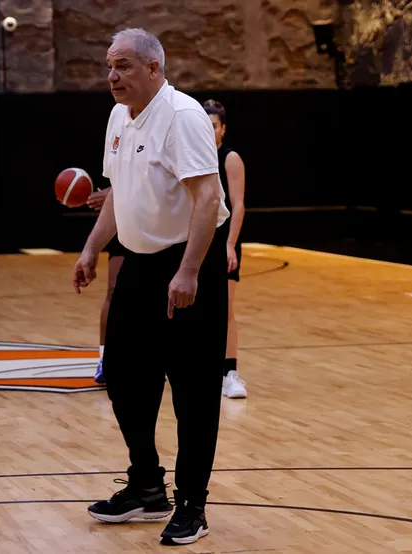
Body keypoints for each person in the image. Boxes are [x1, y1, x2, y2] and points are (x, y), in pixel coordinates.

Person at [72, 28, 230, 546]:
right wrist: (92, 248)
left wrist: (188, 271)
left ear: (154, 68)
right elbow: (119, 192)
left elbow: (208, 199)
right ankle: (145, 485)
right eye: (109, 66)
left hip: (187, 265)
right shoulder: (119, 116)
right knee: (122, 375)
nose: (112, 75)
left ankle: (192, 505)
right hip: (139, 266)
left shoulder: (182, 116)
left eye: (122, 65)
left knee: (192, 390)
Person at [203, 100, 248, 399]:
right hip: (196, 239)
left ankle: (229, 372)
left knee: (225, 308)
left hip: (223, 239)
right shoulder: (192, 156)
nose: (210, 130)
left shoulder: (230, 158)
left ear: (223, 129)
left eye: (215, 126)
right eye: (205, 125)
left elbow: (238, 205)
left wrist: (230, 245)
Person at [86, 184, 127, 384]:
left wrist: (113, 191)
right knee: (113, 291)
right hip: (124, 221)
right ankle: (105, 358)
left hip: (158, 223)